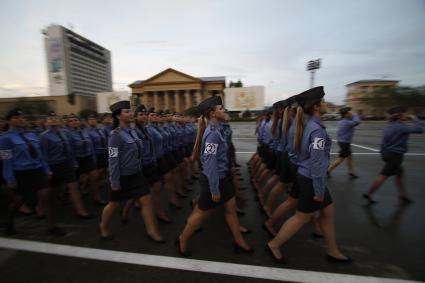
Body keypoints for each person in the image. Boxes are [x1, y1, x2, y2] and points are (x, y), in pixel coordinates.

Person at [265, 86, 351, 264]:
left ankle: (333, 251)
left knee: (327, 212)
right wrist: (318, 190)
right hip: (311, 179)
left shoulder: (304, 124)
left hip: (304, 174)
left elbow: (294, 152)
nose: (327, 104)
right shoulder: (316, 130)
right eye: (324, 101)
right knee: (301, 217)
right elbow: (318, 164)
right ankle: (274, 244)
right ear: (316, 107)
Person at [177, 96, 253, 257]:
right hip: (215, 180)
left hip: (223, 176)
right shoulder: (212, 134)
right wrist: (214, 189)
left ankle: (239, 241)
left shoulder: (216, 130)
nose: (224, 110)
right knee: (201, 214)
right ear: (212, 113)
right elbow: (210, 165)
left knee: (231, 209)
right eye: (221, 108)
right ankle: (183, 238)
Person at [99, 101, 164, 243]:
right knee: (113, 204)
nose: (130, 114)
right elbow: (113, 160)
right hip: (122, 176)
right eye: (127, 112)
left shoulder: (132, 131)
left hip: (136, 173)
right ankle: (103, 226)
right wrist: (114, 182)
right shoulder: (114, 136)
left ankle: (151, 231)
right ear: (118, 116)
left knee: (146, 200)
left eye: (130, 111)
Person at [0, 108, 65, 235]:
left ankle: (51, 226)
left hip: (37, 170)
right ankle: (9, 223)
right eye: (16, 118)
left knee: (46, 195)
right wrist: (9, 178)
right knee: (18, 200)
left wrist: (46, 169)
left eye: (21, 118)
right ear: (9, 121)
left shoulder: (31, 135)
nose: (20, 120)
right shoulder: (5, 138)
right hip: (20, 173)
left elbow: (40, 155)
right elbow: (6, 161)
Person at [363, 106, 424, 204]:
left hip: (386, 153)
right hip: (395, 156)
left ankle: (403, 195)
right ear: (400, 115)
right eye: (405, 113)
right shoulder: (402, 127)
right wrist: (415, 118)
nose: (407, 115)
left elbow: (383, 142)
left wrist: (383, 152)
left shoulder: (389, 126)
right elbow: (420, 129)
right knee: (383, 176)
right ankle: (369, 193)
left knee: (400, 173)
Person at [39, 111, 90, 219]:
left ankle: (80, 210)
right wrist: (46, 169)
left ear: (59, 121)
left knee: (73, 186)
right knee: (53, 192)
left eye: (55, 118)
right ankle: (41, 209)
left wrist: (73, 161)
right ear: (46, 122)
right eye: (50, 119)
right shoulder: (44, 136)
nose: (53, 120)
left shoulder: (64, 133)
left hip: (65, 164)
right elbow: (42, 155)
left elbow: (69, 149)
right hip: (53, 166)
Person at [327, 107, 361, 179]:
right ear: (345, 115)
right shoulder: (347, 123)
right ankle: (328, 170)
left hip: (343, 142)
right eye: (348, 112)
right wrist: (355, 114)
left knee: (349, 157)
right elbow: (357, 122)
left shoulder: (341, 121)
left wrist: (352, 115)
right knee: (341, 159)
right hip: (344, 143)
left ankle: (351, 172)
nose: (350, 113)